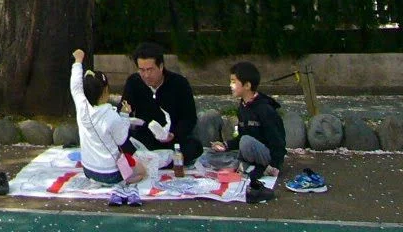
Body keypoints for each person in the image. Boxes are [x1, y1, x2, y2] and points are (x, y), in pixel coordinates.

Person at [71, 49, 148, 206]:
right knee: (142, 171)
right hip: (110, 173)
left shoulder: (81, 104)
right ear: (105, 90)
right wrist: (125, 115)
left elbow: (75, 84)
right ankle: (122, 185)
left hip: (88, 170)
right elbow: (122, 140)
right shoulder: (112, 116)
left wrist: (78, 61)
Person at [210, 60, 286, 203]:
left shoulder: (264, 109)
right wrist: (225, 145)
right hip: (250, 151)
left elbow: (278, 140)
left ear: (247, 85)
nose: (231, 86)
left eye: (234, 82)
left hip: (267, 155)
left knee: (245, 142)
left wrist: (275, 164)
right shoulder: (243, 107)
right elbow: (241, 135)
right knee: (214, 157)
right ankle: (244, 164)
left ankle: (258, 167)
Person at [120, 40, 202, 165]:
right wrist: (127, 117)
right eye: (142, 70)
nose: (146, 75)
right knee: (121, 143)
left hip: (173, 140)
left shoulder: (179, 83)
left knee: (194, 147)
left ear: (161, 66)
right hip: (145, 138)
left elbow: (189, 118)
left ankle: (157, 161)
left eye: (150, 70)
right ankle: (158, 161)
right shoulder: (134, 82)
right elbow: (123, 111)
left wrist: (173, 134)